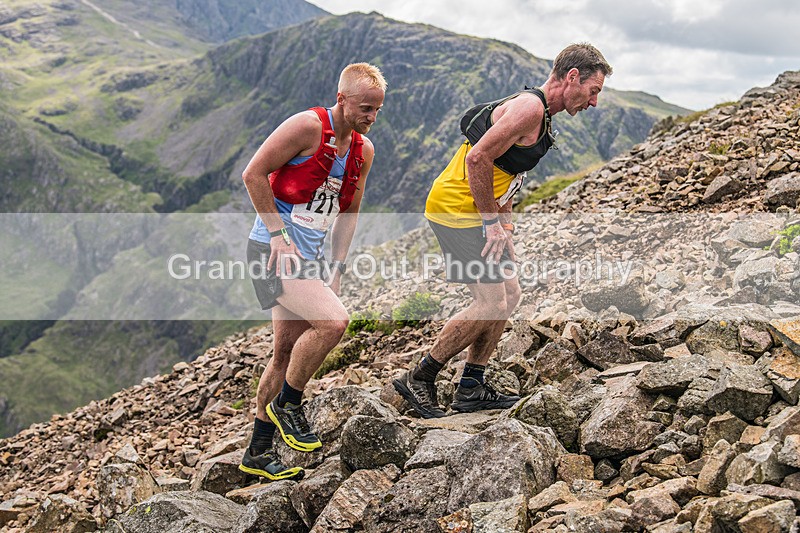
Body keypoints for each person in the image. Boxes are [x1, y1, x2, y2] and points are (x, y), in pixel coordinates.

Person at [394, 43, 612, 418]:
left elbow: (508, 172)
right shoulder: (530, 109)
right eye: (593, 91)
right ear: (572, 77)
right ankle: (420, 378)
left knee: (509, 294)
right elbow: (479, 158)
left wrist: (505, 226)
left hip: (478, 211)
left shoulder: (541, 114)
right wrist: (491, 224)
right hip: (457, 210)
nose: (593, 103)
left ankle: (471, 386)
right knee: (490, 301)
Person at [238, 63, 386, 480]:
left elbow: (349, 211)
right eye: (364, 108)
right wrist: (277, 234)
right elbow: (253, 174)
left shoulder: (363, 151)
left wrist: (336, 266)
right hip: (270, 254)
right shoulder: (306, 126)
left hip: (306, 259)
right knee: (334, 321)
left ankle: (257, 453)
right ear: (341, 99)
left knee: (284, 353)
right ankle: (288, 403)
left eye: (377, 110)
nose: (371, 117)